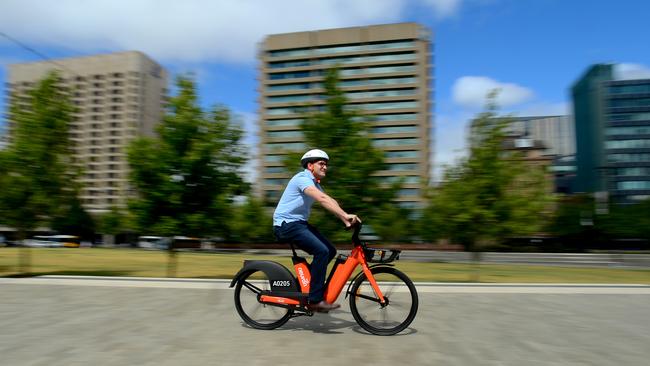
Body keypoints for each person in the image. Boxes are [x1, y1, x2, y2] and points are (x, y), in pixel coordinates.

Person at [273, 149, 360, 312]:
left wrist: (345, 219)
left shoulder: (313, 183)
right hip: (286, 225)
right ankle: (315, 300)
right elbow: (321, 199)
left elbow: (329, 200)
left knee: (330, 250)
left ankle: (306, 284)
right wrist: (345, 215)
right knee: (321, 251)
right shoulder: (302, 179)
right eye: (321, 164)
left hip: (299, 224)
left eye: (326, 164)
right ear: (310, 165)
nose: (325, 167)